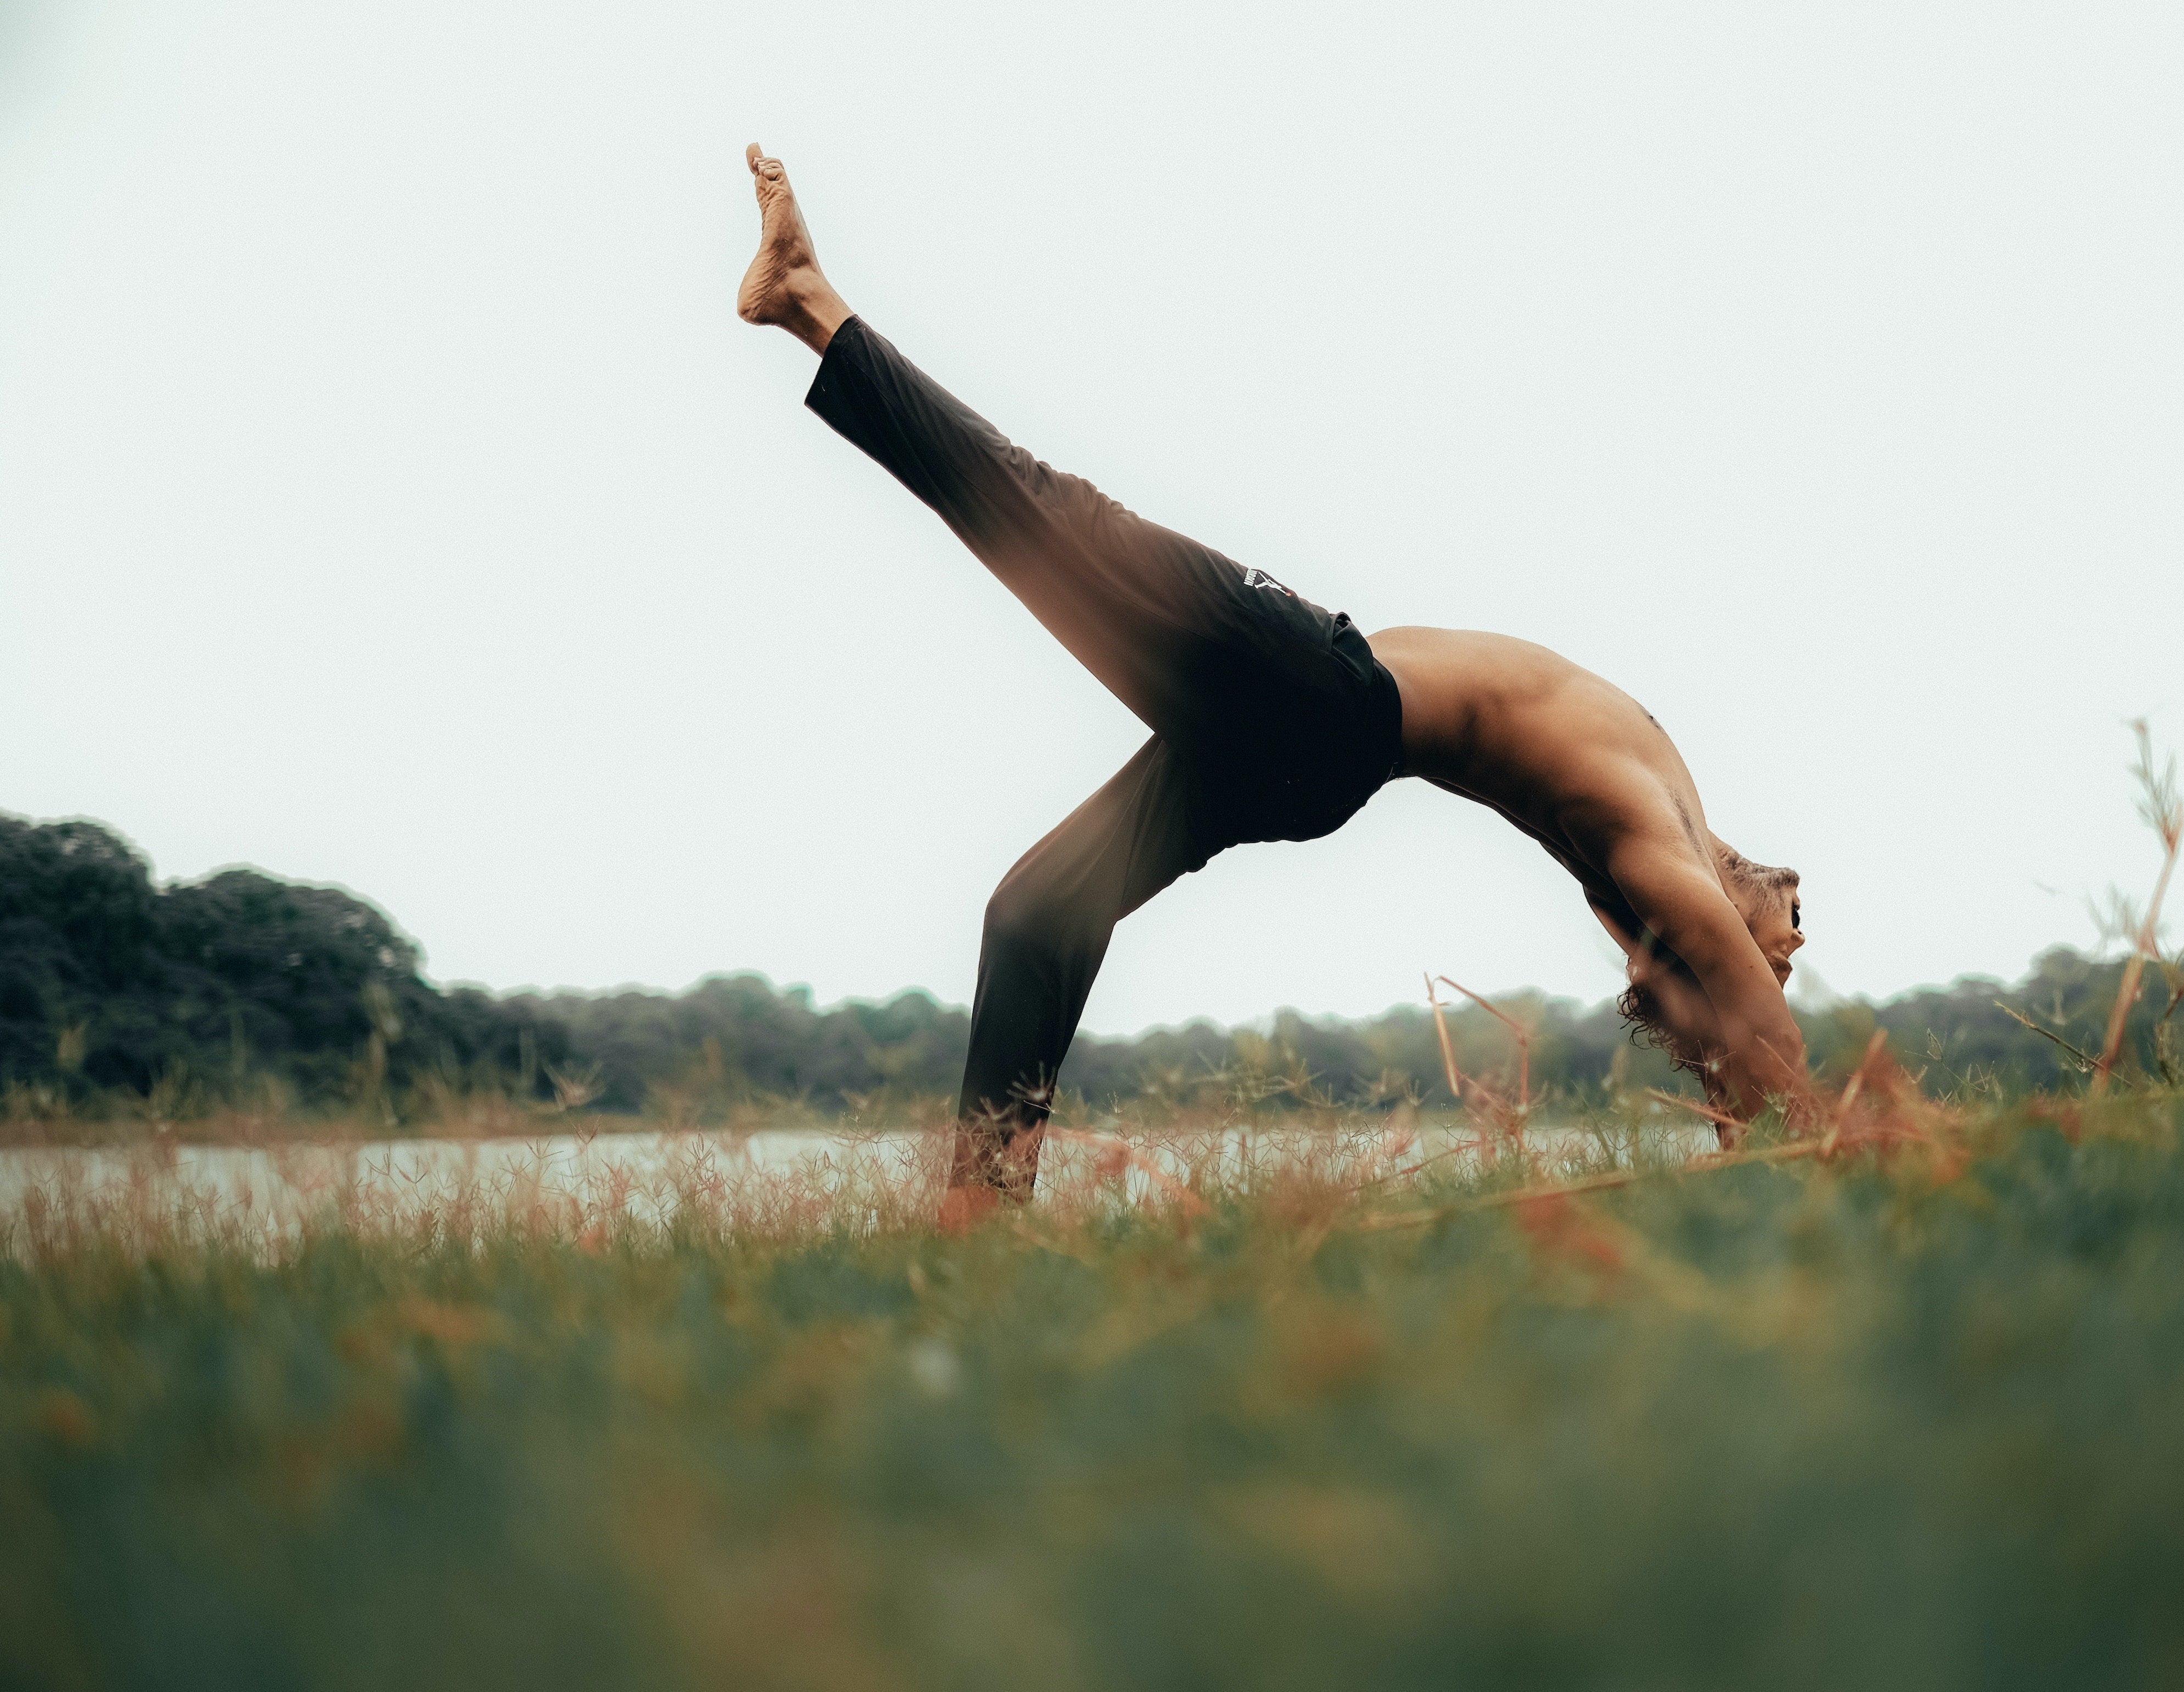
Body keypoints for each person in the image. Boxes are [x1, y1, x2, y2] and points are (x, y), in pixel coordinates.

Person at [735, 145, 1808, 1207]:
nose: (1786, 956)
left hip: (1322, 703)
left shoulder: (1651, 843)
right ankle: (979, 1218)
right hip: (1302, 743)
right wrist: (1746, 1128)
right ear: (1782, 891)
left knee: (1053, 515)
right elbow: (1714, 1000)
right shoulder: (1660, 817)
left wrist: (1803, 1128)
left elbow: (1744, 1010)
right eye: (1788, 947)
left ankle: (809, 303)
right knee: (1037, 908)